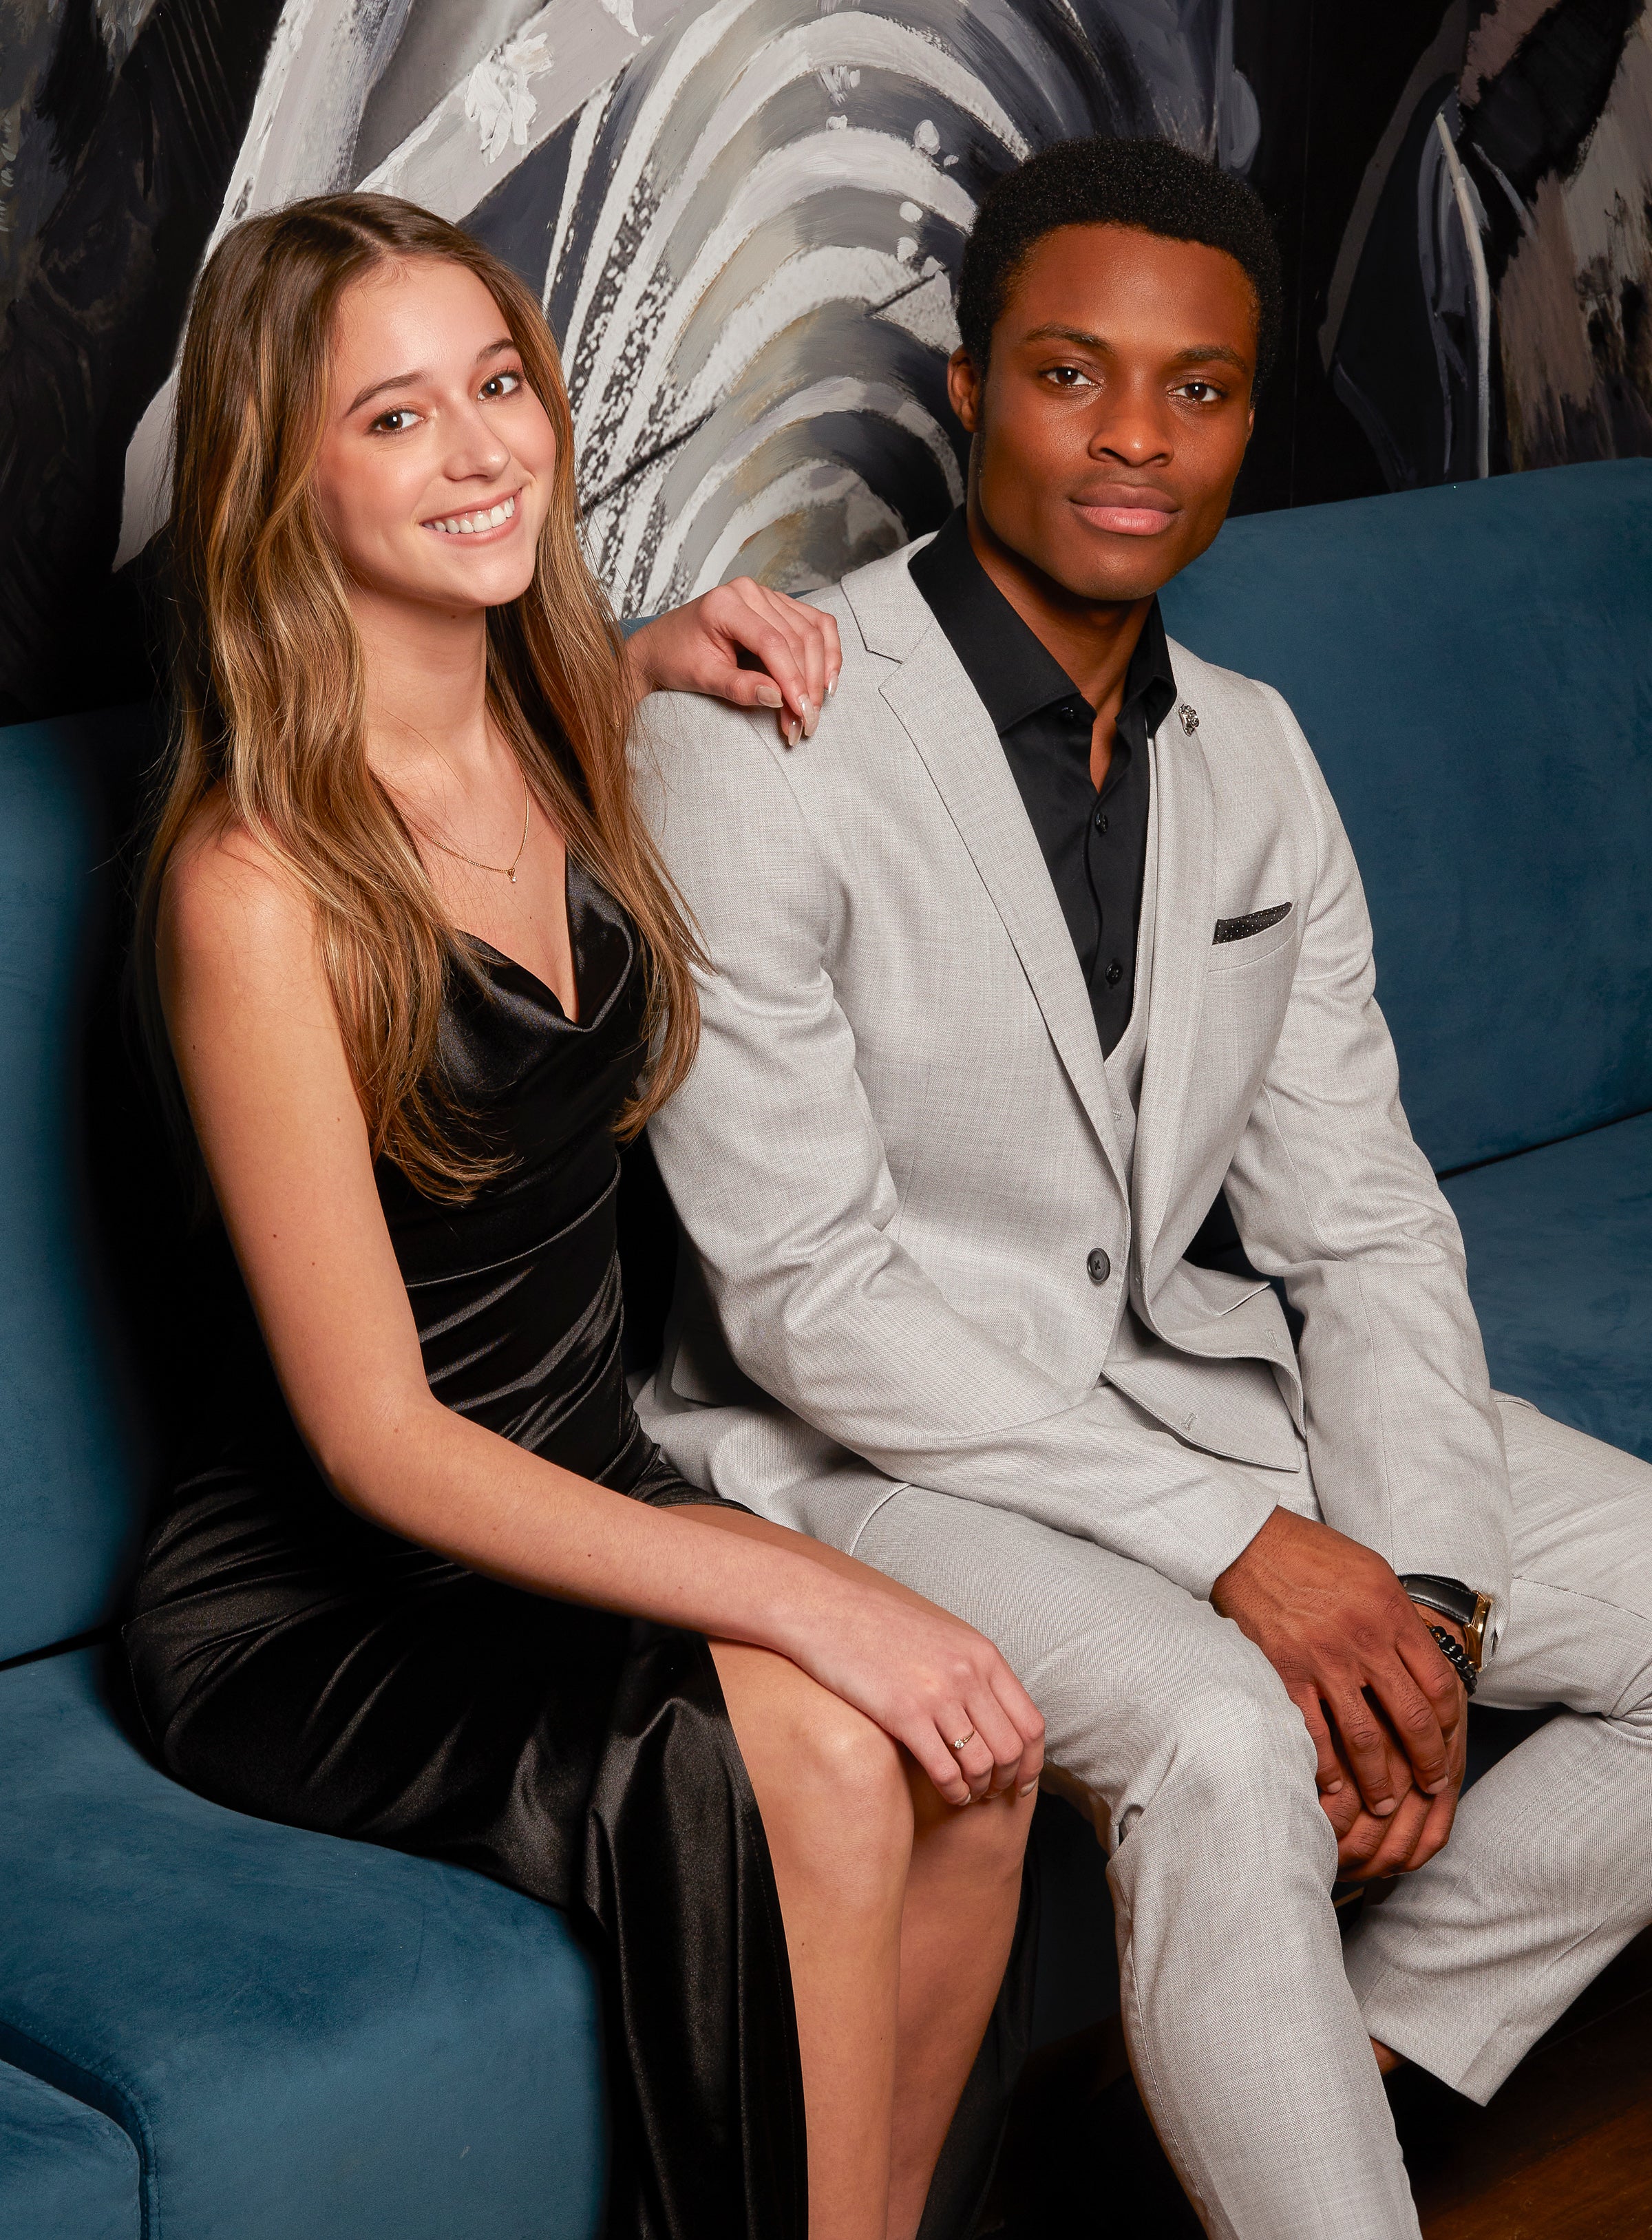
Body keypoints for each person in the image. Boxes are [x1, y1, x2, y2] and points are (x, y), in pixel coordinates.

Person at [634, 136, 1652, 2240]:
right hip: (848, 1451)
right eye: (1069, 374)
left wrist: (1428, 1603)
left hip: (1177, 1382)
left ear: (1249, 421)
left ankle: (1312, 2069)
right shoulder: (756, 730)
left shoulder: (1256, 752)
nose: (1135, 439)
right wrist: (1248, 1550)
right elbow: (805, 1297)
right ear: (966, 390)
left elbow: (1361, 1220)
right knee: (1217, 1730)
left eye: (1197, 389)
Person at [121, 191, 1047, 2240]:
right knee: (829, 1744)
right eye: (393, 417)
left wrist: (649, 655)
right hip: (336, 1591)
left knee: (980, 1754)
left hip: (579, 1478)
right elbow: (376, 1442)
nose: (481, 450)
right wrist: (797, 1593)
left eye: (502, 384)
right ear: (280, 473)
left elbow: (519, 737)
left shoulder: (554, 725)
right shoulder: (251, 892)